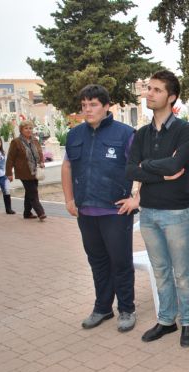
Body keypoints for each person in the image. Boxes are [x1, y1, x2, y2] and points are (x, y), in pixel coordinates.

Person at [125, 70, 189, 347]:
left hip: (176, 214)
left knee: (182, 271)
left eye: (156, 90)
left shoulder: (185, 130)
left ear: (172, 96)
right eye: (149, 89)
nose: (149, 94)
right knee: (160, 270)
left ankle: (188, 322)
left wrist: (147, 168)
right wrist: (154, 170)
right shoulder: (141, 134)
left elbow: (176, 166)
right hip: (148, 212)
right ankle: (167, 320)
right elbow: (130, 169)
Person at [62, 84, 137, 332]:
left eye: (93, 104)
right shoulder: (74, 135)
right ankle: (102, 307)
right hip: (86, 210)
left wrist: (136, 198)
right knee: (98, 261)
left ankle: (126, 309)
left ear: (106, 106)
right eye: (84, 105)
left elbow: (142, 168)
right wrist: (69, 199)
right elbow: (67, 168)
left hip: (115, 212)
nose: (88, 109)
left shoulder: (125, 134)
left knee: (120, 261)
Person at [6, 120, 46, 220]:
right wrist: (9, 173)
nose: (29, 130)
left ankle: (27, 213)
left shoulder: (35, 140)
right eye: (26, 128)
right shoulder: (16, 142)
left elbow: (40, 152)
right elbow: (10, 158)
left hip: (35, 170)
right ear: (21, 130)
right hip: (23, 170)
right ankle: (40, 212)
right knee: (32, 192)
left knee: (30, 192)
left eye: (30, 128)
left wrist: (41, 161)